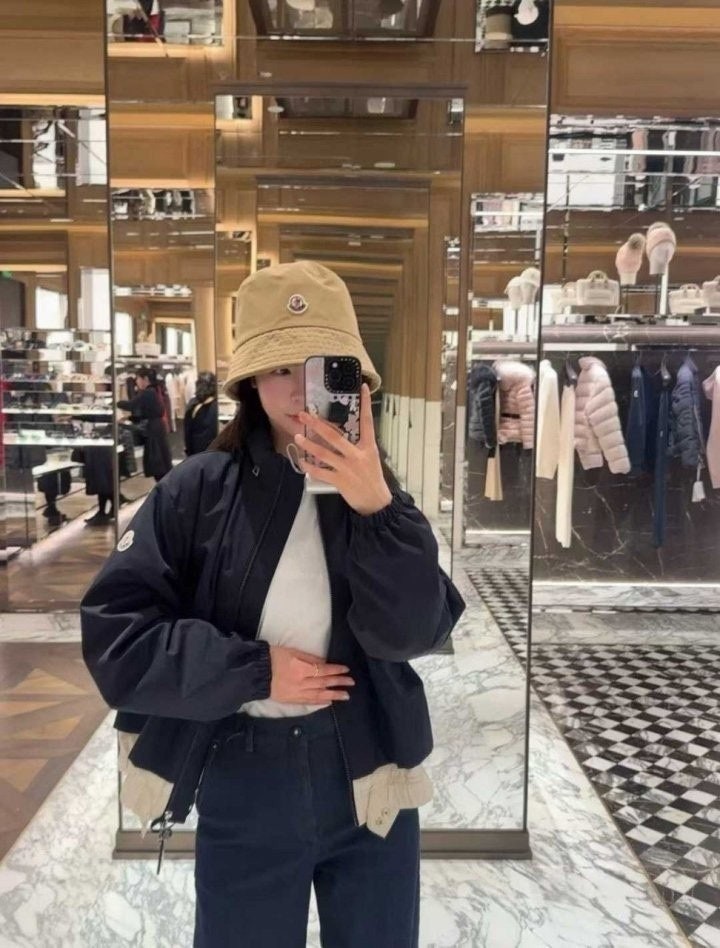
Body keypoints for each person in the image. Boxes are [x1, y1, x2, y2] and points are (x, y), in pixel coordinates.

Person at [80, 260, 465, 948]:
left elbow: (414, 633)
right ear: (250, 383)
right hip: (244, 775)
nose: (296, 390)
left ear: (354, 380)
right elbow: (117, 639)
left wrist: (376, 506)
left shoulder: (380, 495)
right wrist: (254, 671)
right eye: (278, 368)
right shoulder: (198, 490)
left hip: (370, 774)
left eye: (319, 368)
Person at [117, 366, 172, 483]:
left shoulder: (148, 392)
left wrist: (116, 402)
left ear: (145, 379)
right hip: (157, 429)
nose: (136, 382)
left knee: (158, 465)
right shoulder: (154, 390)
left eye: (138, 379)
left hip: (154, 431)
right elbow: (147, 412)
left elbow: (131, 405)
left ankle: (164, 490)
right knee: (161, 465)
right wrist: (130, 418)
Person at [183, 371, 218, 456]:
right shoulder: (216, 405)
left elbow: (187, 432)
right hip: (214, 450)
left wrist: (188, 451)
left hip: (196, 451)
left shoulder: (193, 405)